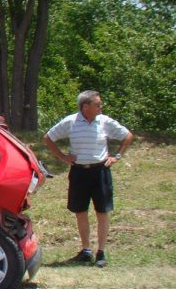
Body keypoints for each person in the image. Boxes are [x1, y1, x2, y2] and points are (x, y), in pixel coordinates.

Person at [43, 90, 134, 268]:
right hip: (79, 172)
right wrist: (62, 157)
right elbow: (48, 138)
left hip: (100, 171)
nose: (101, 107)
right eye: (97, 104)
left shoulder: (104, 121)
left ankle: (101, 252)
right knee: (80, 211)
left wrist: (117, 156)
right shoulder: (71, 122)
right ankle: (86, 250)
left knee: (102, 211)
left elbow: (127, 136)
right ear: (86, 106)